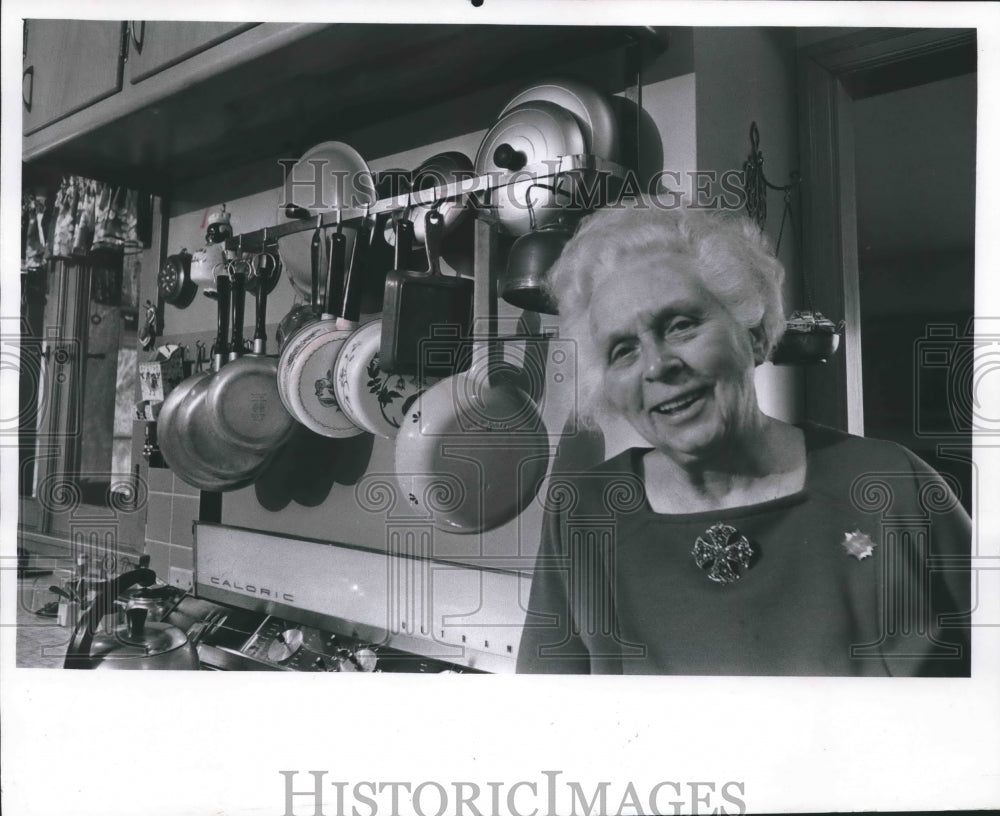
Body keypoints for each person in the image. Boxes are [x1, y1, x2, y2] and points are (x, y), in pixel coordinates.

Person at [516, 203, 970, 676]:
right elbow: (546, 728)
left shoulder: (892, 486)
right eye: (623, 350)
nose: (656, 365)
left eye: (680, 325)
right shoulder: (585, 514)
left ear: (753, 334)